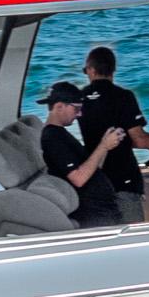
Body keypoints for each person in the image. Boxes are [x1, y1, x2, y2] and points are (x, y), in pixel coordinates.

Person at [75, 44, 149, 227]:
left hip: (96, 180)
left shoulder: (80, 99)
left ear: (91, 70)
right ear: (113, 69)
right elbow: (140, 140)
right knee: (131, 232)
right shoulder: (123, 96)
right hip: (123, 181)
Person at [37, 81, 124, 229]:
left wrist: (106, 145)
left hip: (104, 210)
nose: (80, 114)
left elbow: (92, 168)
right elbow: (78, 178)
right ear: (59, 106)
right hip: (94, 216)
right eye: (76, 109)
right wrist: (103, 146)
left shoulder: (60, 134)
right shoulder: (52, 138)